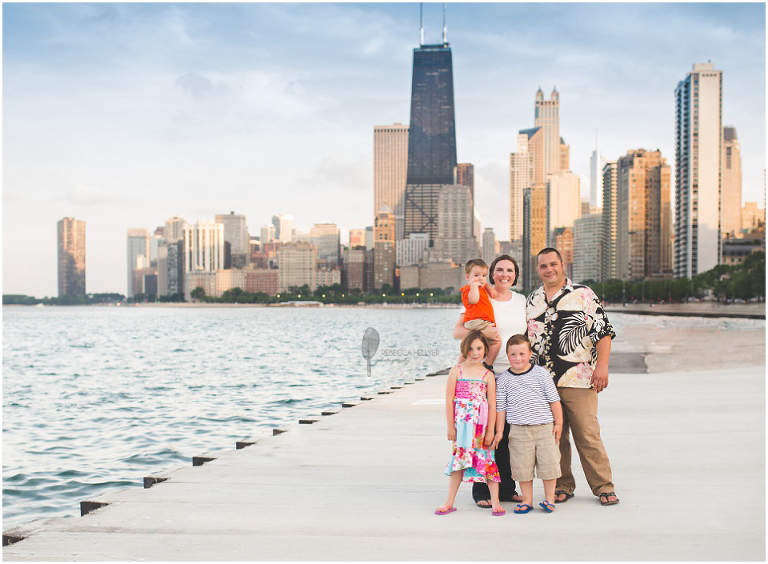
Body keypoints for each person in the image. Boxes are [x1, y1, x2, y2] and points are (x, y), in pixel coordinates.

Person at [526, 247, 620, 506]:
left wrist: (602, 367)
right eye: (543, 266)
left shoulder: (584, 294)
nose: (549, 269)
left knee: (588, 434)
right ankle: (563, 485)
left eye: (553, 264)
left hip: (578, 380)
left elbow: (603, 331)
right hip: (543, 382)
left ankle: (603, 486)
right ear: (538, 270)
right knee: (555, 438)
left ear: (562, 265)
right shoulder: (532, 300)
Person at [453, 255, 527, 508]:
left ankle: (507, 488)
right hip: (486, 374)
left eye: (509, 270)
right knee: (484, 433)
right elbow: (458, 331)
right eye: (499, 270)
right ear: (491, 274)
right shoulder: (480, 295)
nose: (504, 274)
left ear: (515, 275)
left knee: (507, 436)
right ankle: (480, 490)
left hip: (515, 375)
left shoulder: (522, 301)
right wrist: (485, 333)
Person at [436, 331, 504, 516]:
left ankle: (496, 502)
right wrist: (450, 426)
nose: (475, 353)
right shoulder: (456, 370)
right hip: (463, 427)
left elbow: (491, 404)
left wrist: (491, 430)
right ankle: (449, 502)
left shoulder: (487, 374)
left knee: (488, 461)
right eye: (471, 349)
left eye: (479, 348)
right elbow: (449, 400)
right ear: (464, 350)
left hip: (481, 428)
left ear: (485, 350)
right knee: (459, 461)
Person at [494, 334, 563, 513]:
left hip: (544, 428)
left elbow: (554, 401)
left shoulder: (541, 374)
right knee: (522, 467)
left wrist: (559, 424)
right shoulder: (503, 380)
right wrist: (500, 432)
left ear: (530, 354)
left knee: (549, 464)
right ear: (507, 356)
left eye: (522, 354)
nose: (518, 358)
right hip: (518, 430)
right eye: (513, 354)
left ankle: (549, 499)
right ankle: (527, 500)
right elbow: (501, 408)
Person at [459, 258, 501, 370]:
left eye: (483, 275)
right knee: (497, 341)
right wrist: (474, 286)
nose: (481, 279)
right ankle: (487, 364)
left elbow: (489, 290)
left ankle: (465, 366)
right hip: (476, 321)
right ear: (468, 277)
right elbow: (474, 300)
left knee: (476, 344)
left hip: (480, 321)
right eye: (476, 275)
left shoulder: (482, 288)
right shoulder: (468, 290)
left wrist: (487, 287)